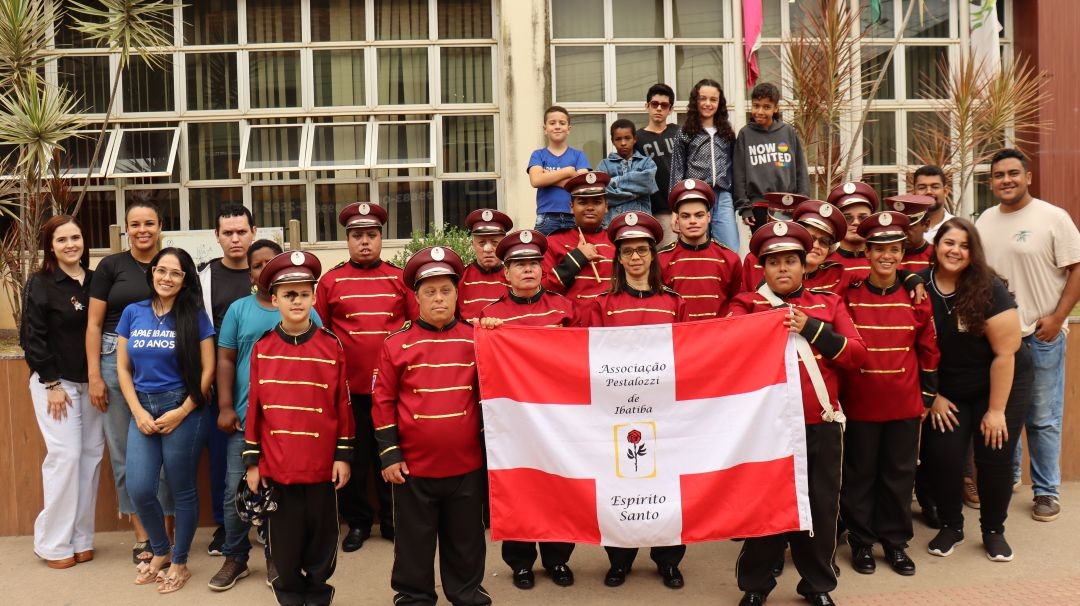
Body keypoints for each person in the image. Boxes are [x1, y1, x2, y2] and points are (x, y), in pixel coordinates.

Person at [728, 221, 866, 606]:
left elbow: (857, 355)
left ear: (804, 266)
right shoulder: (745, 306)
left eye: (790, 261)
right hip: (767, 428)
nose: (782, 269)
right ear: (763, 267)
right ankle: (756, 585)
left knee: (821, 508)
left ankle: (817, 585)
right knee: (766, 507)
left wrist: (812, 328)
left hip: (820, 423)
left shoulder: (829, 304)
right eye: (774, 262)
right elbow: (728, 355)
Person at [373, 247, 491, 606]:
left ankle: (467, 593)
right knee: (414, 540)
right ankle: (414, 596)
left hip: (466, 465)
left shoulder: (478, 339)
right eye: (430, 292)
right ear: (417, 297)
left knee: (466, 540)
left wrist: (497, 330)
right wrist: (390, 455)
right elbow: (383, 402)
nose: (439, 298)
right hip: (413, 468)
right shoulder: (396, 345)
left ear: (457, 294)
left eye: (445, 290)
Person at [583, 211, 689, 589]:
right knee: (620, 484)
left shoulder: (674, 303)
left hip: (665, 412)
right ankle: (619, 559)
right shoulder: (602, 304)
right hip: (617, 411)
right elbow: (590, 359)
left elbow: (688, 356)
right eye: (627, 251)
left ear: (653, 254)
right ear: (618, 257)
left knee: (667, 484)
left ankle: (668, 560)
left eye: (642, 250)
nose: (635, 257)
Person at [209, 240, 323, 591]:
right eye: (256, 265)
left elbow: (320, 359)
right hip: (245, 420)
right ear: (250, 274)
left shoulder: (302, 308)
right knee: (236, 489)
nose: (263, 270)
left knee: (281, 495)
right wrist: (225, 406)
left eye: (269, 263)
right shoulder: (239, 310)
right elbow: (225, 360)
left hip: (288, 424)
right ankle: (235, 555)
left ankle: (278, 555)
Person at [976, 148, 1080, 523]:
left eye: (1013, 173)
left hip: (1041, 334)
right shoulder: (985, 220)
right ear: (991, 182)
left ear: (1028, 177)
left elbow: (1077, 268)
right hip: (999, 338)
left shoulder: (1053, 217)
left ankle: (1047, 491)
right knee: (1005, 413)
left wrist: (1058, 317)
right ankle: (1010, 478)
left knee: (1043, 417)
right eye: (998, 175)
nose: (1006, 180)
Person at [244, 249, 354, 606]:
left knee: (322, 542)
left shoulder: (331, 345)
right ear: (274, 299)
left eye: (304, 293)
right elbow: (255, 409)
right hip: (279, 468)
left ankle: (319, 595)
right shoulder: (263, 348)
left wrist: (343, 456)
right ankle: (290, 596)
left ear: (314, 298)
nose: (297, 301)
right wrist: (252, 462)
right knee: (285, 546)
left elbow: (342, 405)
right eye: (289, 294)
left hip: (321, 467)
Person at [920, 217, 1033, 562]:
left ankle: (993, 530)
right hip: (948, 388)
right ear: (936, 246)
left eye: (965, 245)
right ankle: (951, 525)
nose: (955, 250)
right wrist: (934, 396)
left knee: (994, 453)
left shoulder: (988, 288)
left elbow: (1005, 353)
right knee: (944, 454)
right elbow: (911, 349)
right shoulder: (919, 286)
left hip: (1000, 381)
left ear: (974, 252)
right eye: (949, 242)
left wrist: (996, 411)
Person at [840, 211, 940, 577]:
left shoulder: (916, 297)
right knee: (860, 475)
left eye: (895, 249)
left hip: (903, 402)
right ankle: (862, 542)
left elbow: (928, 348)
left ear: (902, 254)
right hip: (861, 403)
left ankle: (895, 543)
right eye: (879, 249)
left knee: (899, 476)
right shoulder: (849, 294)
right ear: (866, 252)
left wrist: (927, 397)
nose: (887, 256)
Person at [478, 229, 577, 589]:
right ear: (505, 272)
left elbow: (580, 360)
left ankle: (557, 559)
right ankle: (520, 563)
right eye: (519, 265)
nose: (528, 270)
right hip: (514, 423)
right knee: (518, 490)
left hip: (557, 417)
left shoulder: (563, 309)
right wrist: (486, 333)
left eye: (534, 263)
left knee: (557, 487)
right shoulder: (491, 316)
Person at [316, 202, 416, 552]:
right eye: (357, 236)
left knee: (390, 454)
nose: (364, 242)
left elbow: (414, 330)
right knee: (354, 460)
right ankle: (357, 523)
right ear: (347, 240)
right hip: (349, 391)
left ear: (381, 238)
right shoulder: (330, 281)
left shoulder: (400, 279)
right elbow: (321, 336)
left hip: (392, 390)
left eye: (371, 235)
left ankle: (392, 521)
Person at [117, 247, 215, 593]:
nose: (166, 278)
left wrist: (183, 410)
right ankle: (160, 549)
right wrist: (137, 411)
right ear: (152, 272)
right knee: (140, 487)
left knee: (181, 486)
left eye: (175, 273)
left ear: (185, 280)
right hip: (143, 408)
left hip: (182, 407)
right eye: (161, 270)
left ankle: (180, 561)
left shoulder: (195, 316)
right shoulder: (133, 312)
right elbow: (123, 368)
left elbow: (208, 370)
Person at [84, 198, 173, 565]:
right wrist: (94, 375)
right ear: (126, 228)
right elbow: (93, 324)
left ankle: (165, 534)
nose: (142, 230)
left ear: (160, 226)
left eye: (149, 223)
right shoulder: (111, 266)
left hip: (164, 360)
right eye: (135, 224)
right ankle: (143, 536)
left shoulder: (172, 263)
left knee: (165, 456)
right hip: (112, 359)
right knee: (124, 454)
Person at [21, 215, 104, 570]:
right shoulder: (41, 283)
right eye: (62, 239)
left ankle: (81, 538)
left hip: (93, 383)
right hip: (56, 384)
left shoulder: (96, 281)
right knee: (66, 458)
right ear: (50, 247)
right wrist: (51, 383)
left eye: (75, 237)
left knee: (91, 457)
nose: (70, 244)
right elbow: (31, 336)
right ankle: (53, 543)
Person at [198, 204, 257, 557]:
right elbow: (199, 330)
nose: (235, 238)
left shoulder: (267, 270)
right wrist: (206, 378)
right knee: (223, 459)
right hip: (221, 382)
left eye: (241, 231)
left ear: (253, 232)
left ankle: (268, 523)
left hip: (267, 380)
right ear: (217, 236)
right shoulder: (204, 278)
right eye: (228, 233)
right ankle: (226, 526)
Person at [658, 178, 742, 319]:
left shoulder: (730, 258)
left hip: (718, 331)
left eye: (699, 215)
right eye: (685, 216)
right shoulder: (662, 259)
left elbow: (738, 301)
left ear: (708, 217)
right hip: (679, 332)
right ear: (677, 220)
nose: (693, 221)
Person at [670, 78, 738, 250]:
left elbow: (735, 167)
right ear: (696, 101)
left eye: (713, 99)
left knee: (730, 247)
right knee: (696, 247)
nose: (708, 104)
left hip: (723, 196)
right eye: (703, 99)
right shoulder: (685, 133)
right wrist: (675, 209)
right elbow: (677, 170)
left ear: (719, 103)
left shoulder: (727, 133)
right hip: (695, 196)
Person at [732, 82, 810, 234]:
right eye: (756, 106)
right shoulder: (745, 134)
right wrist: (744, 207)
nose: (760, 111)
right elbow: (739, 174)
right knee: (763, 246)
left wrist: (802, 201)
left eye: (766, 107)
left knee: (787, 244)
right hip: (758, 206)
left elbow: (801, 169)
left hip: (787, 205)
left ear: (776, 108)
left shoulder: (788, 132)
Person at [542, 171, 616, 317]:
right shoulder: (553, 242)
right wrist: (577, 257)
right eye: (582, 202)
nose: (590, 208)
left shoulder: (617, 241)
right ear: (571, 206)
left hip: (610, 323)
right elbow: (544, 290)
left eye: (597, 202)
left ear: (606, 206)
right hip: (573, 323)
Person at [528, 105, 591, 235]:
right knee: (546, 249)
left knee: (577, 250)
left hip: (574, 216)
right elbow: (536, 180)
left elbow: (582, 186)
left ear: (568, 129)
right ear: (545, 129)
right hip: (546, 217)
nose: (557, 126)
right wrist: (568, 172)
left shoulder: (579, 155)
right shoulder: (538, 155)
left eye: (562, 123)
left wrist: (548, 177)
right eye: (552, 123)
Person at [636, 83, 681, 244]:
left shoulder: (679, 132)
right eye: (654, 104)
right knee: (662, 254)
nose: (659, 108)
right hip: (653, 208)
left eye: (664, 105)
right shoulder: (637, 138)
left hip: (680, 204)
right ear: (647, 106)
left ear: (671, 109)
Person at [740, 192, 808, 292]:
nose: (783, 227)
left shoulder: (806, 255)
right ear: (767, 219)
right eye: (778, 221)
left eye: (789, 221)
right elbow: (745, 295)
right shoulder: (752, 258)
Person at [598, 118, 658, 225]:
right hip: (612, 223)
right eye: (618, 139)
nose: (623, 143)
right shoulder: (604, 165)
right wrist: (636, 193)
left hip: (642, 222)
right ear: (612, 141)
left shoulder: (646, 162)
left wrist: (614, 181)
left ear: (634, 139)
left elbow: (648, 184)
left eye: (627, 138)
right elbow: (602, 194)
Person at [458, 209, 512, 323]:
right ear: (473, 245)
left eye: (495, 243)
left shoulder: (514, 278)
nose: (488, 249)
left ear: (504, 245)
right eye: (482, 243)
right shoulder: (461, 279)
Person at [826, 181, 877, 283]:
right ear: (837, 223)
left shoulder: (885, 264)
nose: (856, 222)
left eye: (863, 218)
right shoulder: (825, 267)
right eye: (848, 218)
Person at [884, 195, 936, 273]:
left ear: (926, 225)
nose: (904, 232)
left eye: (910, 227)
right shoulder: (884, 257)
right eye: (899, 227)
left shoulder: (937, 257)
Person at [912, 165, 954, 243]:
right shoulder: (904, 228)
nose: (929, 192)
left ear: (945, 192)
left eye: (935, 187)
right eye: (922, 188)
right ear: (914, 193)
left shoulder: (957, 227)